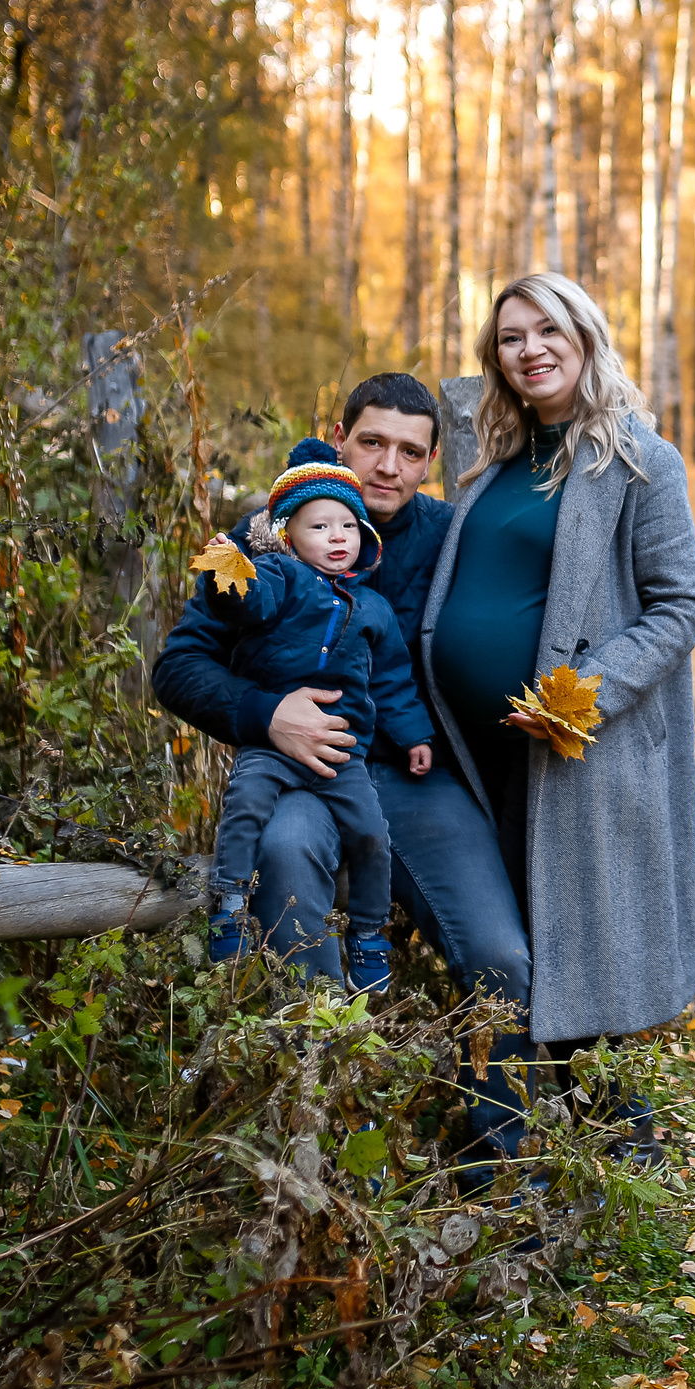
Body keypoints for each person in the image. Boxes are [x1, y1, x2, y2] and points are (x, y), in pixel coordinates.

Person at [152, 374, 539, 1165]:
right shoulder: (270, 532)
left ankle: (504, 1165)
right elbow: (178, 665)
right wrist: (269, 715)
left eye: (408, 451)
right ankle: (332, 1130)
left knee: (501, 956)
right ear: (339, 437)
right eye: (371, 442)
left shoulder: (449, 535)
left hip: (416, 777)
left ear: (431, 462)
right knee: (287, 853)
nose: (386, 465)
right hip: (303, 769)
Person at [421, 270, 695, 1151]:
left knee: (583, 937)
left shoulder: (638, 459)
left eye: (549, 330)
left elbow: (680, 604)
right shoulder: (491, 460)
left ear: (585, 336)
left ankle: (620, 1145)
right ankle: (517, 1137)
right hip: (474, 749)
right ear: (494, 357)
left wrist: (580, 693)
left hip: (577, 746)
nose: (530, 349)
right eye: (511, 337)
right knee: (511, 940)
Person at [192, 440, 435, 991]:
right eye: (319, 528)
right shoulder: (280, 581)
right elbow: (243, 601)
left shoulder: (372, 607)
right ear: (288, 538)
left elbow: (392, 678)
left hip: (343, 755)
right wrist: (226, 568)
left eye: (347, 527)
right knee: (246, 806)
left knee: (373, 836)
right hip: (275, 747)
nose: (337, 539)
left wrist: (414, 732)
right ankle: (229, 901)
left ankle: (370, 936)